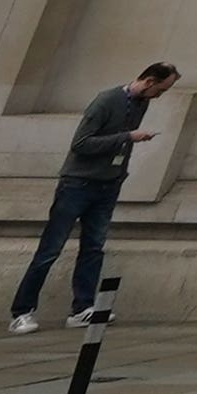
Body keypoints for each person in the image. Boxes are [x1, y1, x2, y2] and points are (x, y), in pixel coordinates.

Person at [10, 61, 174, 334]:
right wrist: (127, 137)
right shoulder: (106, 101)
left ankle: (82, 308)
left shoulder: (142, 104)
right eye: (160, 90)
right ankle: (22, 311)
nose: (160, 96)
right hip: (78, 184)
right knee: (50, 249)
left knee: (93, 248)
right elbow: (81, 144)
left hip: (106, 186)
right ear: (148, 82)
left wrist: (120, 172)